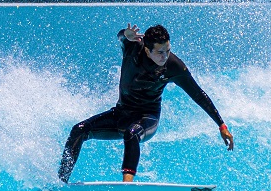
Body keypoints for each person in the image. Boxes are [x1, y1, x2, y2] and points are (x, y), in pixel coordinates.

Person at [58, 24, 233, 183]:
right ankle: (62, 181)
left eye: (168, 50)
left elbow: (198, 95)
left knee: (132, 133)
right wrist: (125, 34)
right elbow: (122, 37)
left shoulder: (174, 67)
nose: (165, 56)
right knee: (79, 130)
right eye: (160, 52)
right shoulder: (133, 48)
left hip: (147, 118)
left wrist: (221, 125)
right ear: (147, 50)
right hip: (121, 113)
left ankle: (127, 186)